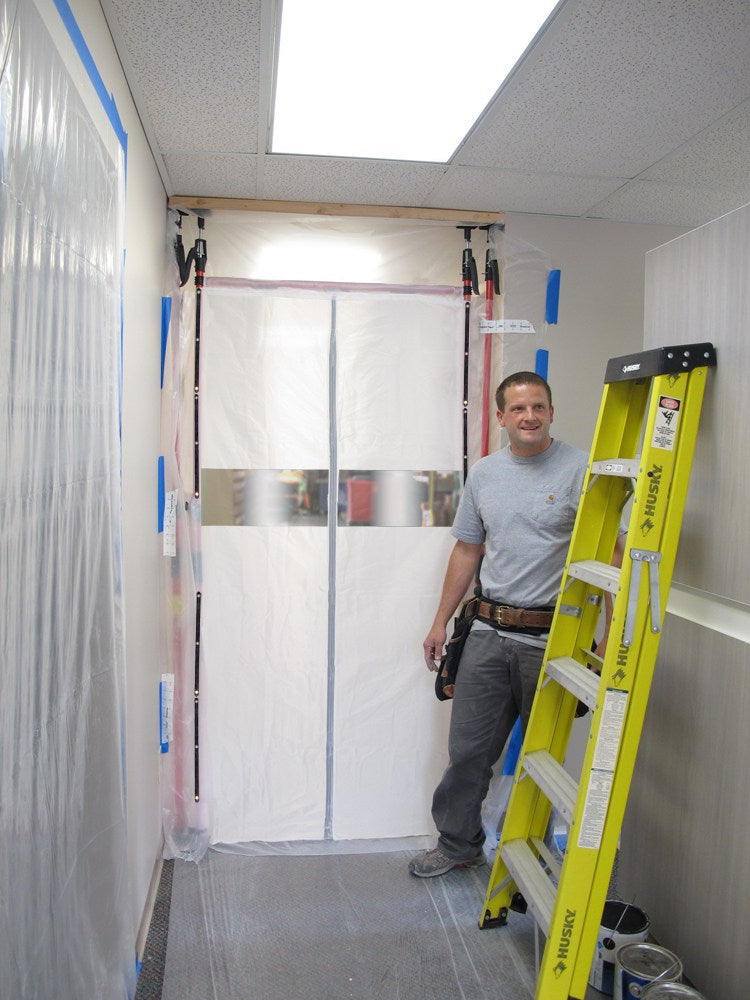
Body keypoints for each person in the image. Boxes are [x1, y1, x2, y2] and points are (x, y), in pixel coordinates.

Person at [409, 370, 612, 878]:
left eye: (538, 406)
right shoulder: (484, 474)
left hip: (553, 640)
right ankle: (459, 845)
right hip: (487, 632)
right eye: (518, 408)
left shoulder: (581, 469)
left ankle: (535, 854)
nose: (529, 416)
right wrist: (440, 622)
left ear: (551, 411)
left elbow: (613, 550)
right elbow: (468, 549)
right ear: (501, 417)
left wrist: (612, 632)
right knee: (468, 752)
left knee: (541, 760)